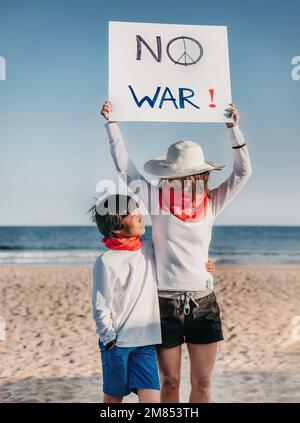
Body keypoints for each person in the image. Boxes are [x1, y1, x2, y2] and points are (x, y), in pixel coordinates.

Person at [100, 100, 252, 402]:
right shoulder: (156, 200)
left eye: (189, 175)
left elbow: (243, 173)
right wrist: (112, 125)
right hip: (164, 305)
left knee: (203, 383)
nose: (182, 181)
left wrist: (233, 129)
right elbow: (125, 168)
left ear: (199, 175)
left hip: (204, 304)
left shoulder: (211, 202)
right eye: (177, 176)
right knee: (169, 382)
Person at [90, 193, 215, 403]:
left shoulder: (150, 249)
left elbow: (179, 260)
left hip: (147, 343)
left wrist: (205, 267)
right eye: (131, 214)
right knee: (113, 399)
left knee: (152, 401)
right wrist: (109, 339)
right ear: (116, 228)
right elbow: (101, 306)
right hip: (118, 344)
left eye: (137, 210)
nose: (139, 216)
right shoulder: (106, 262)